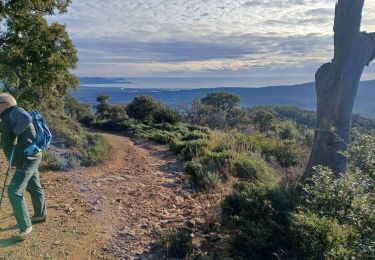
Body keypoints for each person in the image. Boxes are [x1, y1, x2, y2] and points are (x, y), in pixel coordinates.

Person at [0, 93, 46, 240]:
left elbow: (27, 118)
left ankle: (26, 226)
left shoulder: (16, 111)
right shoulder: (8, 116)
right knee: (34, 186)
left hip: (28, 158)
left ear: (7, 103)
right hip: (29, 156)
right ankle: (40, 215)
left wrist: (15, 133)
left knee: (14, 190)